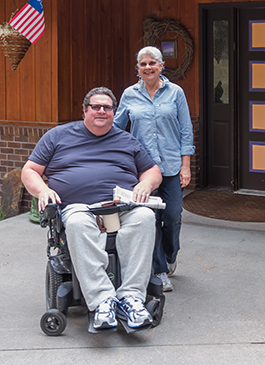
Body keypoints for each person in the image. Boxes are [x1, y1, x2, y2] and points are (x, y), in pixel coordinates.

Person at [21, 86, 162, 333]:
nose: (101, 111)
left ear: (113, 113)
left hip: (121, 208)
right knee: (76, 224)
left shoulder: (126, 139)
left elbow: (152, 171)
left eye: (107, 108)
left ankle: (131, 299)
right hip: (80, 209)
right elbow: (30, 170)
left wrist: (145, 183)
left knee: (145, 216)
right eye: (95, 106)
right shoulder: (58, 136)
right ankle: (102, 301)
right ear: (85, 110)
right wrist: (42, 192)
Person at [114, 46, 194, 293]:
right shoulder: (129, 94)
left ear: (161, 65)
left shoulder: (175, 93)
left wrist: (186, 166)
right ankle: (159, 271)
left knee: (172, 217)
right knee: (151, 220)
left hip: (170, 167)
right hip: (144, 172)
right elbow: (117, 128)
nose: (147, 67)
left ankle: (170, 255)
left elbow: (185, 130)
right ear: (137, 68)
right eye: (142, 64)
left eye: (152, 63)